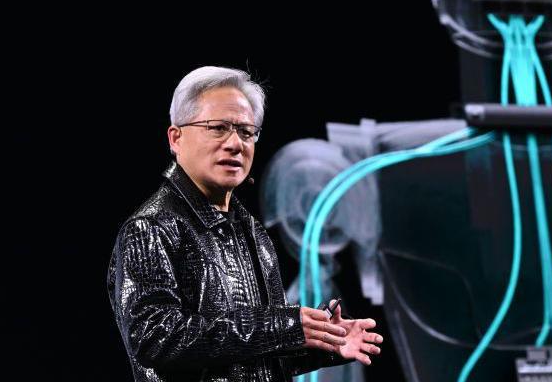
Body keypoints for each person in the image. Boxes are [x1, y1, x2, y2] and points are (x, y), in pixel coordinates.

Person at [107, 66, 381, 381]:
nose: (236, 143)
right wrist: (284, 326)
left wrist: (321, 340)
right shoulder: (151, 228)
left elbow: (255, 356)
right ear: (176, 138)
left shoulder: (253, 233)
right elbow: (154, 338)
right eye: (218, 128)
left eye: (246, 131)